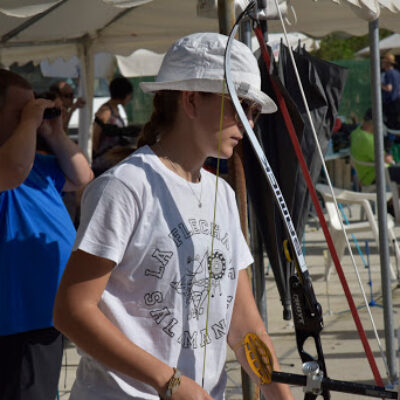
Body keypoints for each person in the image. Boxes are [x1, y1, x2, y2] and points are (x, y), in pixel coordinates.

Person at [53, 32, 294, 400]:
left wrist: (281, 396)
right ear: (192, 100)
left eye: (254, 112)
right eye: (239, 106)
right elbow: (72, 311)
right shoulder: (125, 187)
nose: (248, 123)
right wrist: (171, 382)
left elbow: (244, 325)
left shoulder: (223, 194)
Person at [0, 69, 94, 400]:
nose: (33, 114)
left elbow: (83, 175)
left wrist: (54, 133)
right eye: (20, 110)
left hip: (48, 311)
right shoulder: (10, 162)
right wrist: (29, 123)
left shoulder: (37, 163)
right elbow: (11, 171)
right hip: (18, 316)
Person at [91, 76, 138, 176]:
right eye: (130, 95)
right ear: (124, 94)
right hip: (104, 163)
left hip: (112, 160)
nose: (130, 98)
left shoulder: (114, 109)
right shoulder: (106, 112)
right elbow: (95, 136)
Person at [350, 108, 400, 186]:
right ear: (374, 123)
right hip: (374, 175)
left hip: (368, 174)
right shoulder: (367, 140)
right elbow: (387, 159)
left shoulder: (356, 133)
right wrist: (389, 152)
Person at [381, 52, 400, 130]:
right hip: (397, 102)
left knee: (390, 125)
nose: (382, 64)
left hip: (390, 102)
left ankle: (390, 141)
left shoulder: (388, 73)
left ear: (387, 64)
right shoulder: (397, 73)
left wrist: (379, 85)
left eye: (383, 62)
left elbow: (389, 88)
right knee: (395, 123)